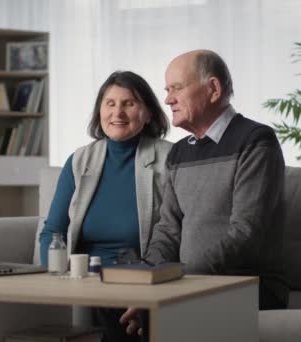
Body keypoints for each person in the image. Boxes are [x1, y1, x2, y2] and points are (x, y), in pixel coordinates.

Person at [121, 50, 289, 336]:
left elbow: (246, 232)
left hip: (248, 285)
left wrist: (180, 281)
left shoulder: (256, 140)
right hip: (191, 285)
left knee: (167, 316)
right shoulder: (179, 152)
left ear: (213, 89)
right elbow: (168, 229)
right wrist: (147, 278)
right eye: (167, 90)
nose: (167, 99)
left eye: (177, 88)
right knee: (116, 311)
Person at [39, 70, 172, 342]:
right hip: (84, 283)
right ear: (99, 111)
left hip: (138, 281)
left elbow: (175, 235)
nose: (118, 113)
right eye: (110, 103)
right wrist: (56, 281)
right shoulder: (79, 160)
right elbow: (52, 232)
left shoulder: (169, 159)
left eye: (129, 103)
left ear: (147, 113)